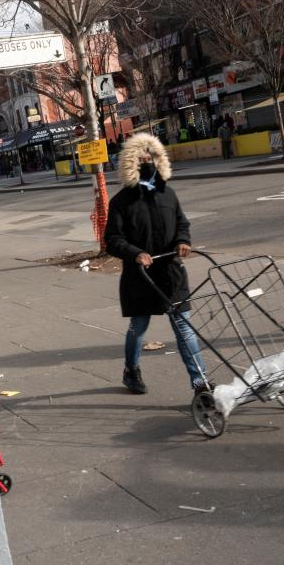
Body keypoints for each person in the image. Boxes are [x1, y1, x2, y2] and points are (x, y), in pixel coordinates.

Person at [105, 133, 207, 394]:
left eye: (151, 156)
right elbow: (113, 239)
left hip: (171, 273)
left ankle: (200, 383)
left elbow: (182, 223)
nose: (147, 161)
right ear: (131, 161)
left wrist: (183, 240)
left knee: (184, 328)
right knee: (139, 328)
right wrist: (135, 253)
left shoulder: (168, 194)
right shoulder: (121, 201)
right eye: (141, 157)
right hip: (141, 277)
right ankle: (131, 369)